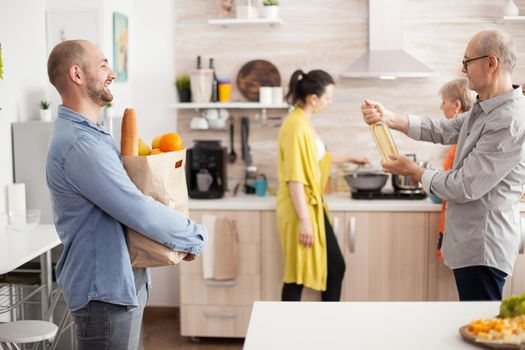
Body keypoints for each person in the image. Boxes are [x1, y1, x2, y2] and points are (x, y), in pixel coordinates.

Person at [46, 40, 206, 349]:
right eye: (104, 64)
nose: (112, 73)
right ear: (77, 75)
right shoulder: (81, 145)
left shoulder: (93, 134)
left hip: (117, 284)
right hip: (103, 292)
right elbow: (135, 208)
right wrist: (193, 235)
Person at [361, 30, 525, 301]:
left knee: (481, 333)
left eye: (467, 61)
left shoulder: (508, 120)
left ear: (491, 63)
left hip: (483, 249)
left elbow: (465, 186)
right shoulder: (486, 109)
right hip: (472, 247)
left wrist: (414, 172)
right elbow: (440, 129)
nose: (463, 70)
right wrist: (388, 117)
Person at [277, 69, 368, 301]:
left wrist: (349, 157)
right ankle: (297, 331)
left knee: (323, 271)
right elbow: (295, 176)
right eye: (327, 98)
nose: (329, 102)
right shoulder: (296, 126)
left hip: (309, 206)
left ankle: (321, 328)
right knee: (300, 273)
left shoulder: (302, 121)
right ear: (313, 98)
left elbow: (315, 158)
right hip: (301, 209)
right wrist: (305, 221)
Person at [435, 79, 475, 260]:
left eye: (444, 102)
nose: (441, 107)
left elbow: (458, 184)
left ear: (456, 105)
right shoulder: (465, 134)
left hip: (461, 227)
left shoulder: (465, 139)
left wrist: (422, 176)